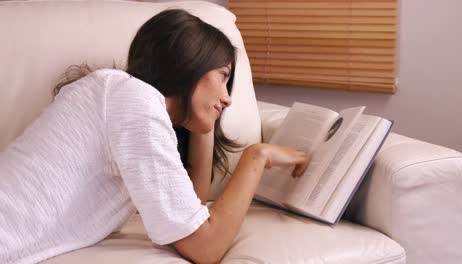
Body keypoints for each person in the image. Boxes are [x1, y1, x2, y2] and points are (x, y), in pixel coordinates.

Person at [0, 9, 308, 264]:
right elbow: (204, 247)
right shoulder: (131, 98)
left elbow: (189, 213)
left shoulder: (123, 101)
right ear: (191, 63)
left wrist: (202, 124)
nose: (227, 98)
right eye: (223, 76)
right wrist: (257, 156)